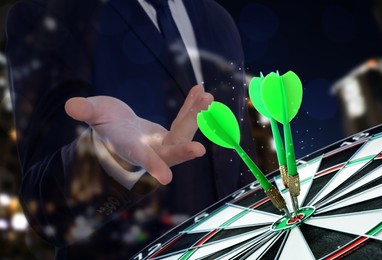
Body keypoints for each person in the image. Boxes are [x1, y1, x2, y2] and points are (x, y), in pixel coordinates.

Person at [6, 0, 256, 258]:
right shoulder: (49, 15)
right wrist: (109, 159)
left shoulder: (217, 19)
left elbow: (239, 157)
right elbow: (45, 214)